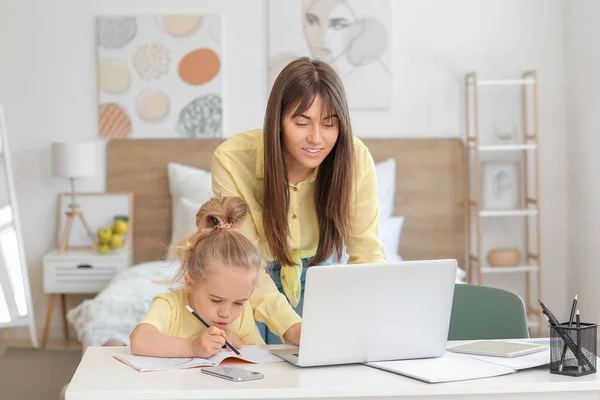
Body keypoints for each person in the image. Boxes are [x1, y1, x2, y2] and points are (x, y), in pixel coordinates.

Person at [212, 56, 385, 344]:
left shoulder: (356, 159)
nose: (316, 138)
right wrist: (290, 327)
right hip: (248, 281)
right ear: (278, 121)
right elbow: (244, 262)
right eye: (301, 122)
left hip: (321, 281)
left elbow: (368, 255)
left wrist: (359, 316)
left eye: (329, 124)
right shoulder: (232, 160)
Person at [129, 196, 266, 358]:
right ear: (190, 284)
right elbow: (140, 341)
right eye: (216, 300)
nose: (226, 313)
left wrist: (236, 341)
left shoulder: (243, 315)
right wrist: (193, 347)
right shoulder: (170, 305)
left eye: (238, 303)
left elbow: (259, 357)